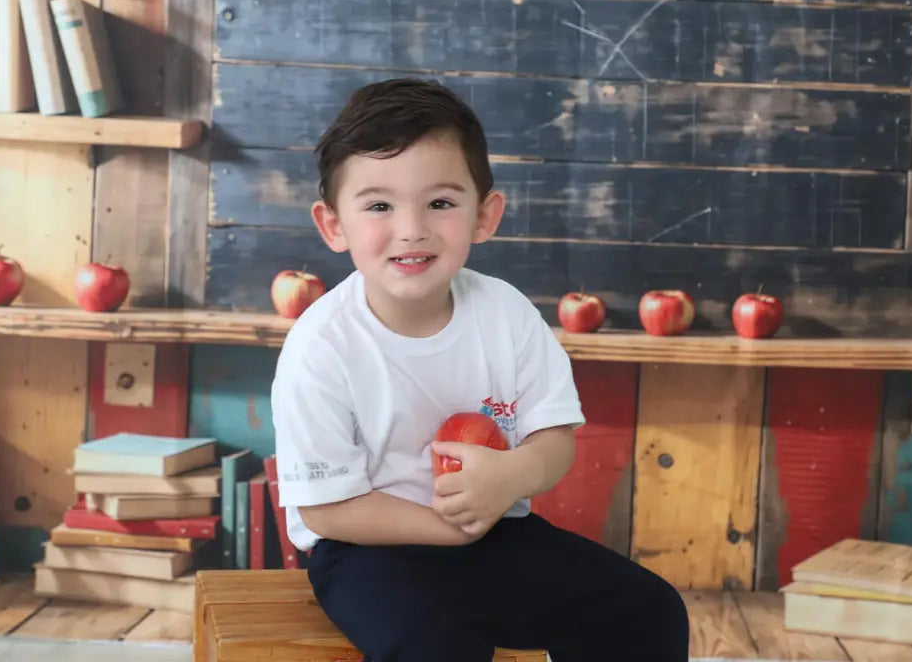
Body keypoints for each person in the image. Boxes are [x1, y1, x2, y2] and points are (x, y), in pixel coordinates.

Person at [270, 77, 689, 661]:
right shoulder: (321, 345)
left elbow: (554, 439)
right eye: (379, 205)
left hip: (496, 534)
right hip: (366, 549)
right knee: (432, 645)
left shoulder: (506, 314)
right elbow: (324, 507)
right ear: (334, 225)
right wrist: (446, 528)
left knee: (645, 608)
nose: (412, 227)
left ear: (484, 216)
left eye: (440, 203)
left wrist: (512, 477)